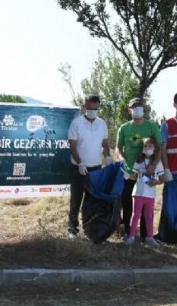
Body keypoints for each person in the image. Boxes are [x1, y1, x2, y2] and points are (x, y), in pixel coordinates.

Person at [116, 97, 163, 240]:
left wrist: (154, 164)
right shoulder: (124, 128)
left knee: (146, 205)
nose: (137, 109)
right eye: (134, 107)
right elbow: (118, 148)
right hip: (129, 172)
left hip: (146, 173)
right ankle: (129, 233)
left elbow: (160, 147)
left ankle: (145, 235)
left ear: (144, 109)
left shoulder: (152, 126)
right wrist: (122, 159)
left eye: (140, 106)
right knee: (128, 203)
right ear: (129, 110)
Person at [67, 95, 111, 238]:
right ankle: (72, 229)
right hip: (78, 168)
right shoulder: (76, 123)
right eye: (90, 108)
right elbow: (72, 145)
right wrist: (80, 163)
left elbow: (105, 143)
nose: (92, 111)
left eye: (95, 108)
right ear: (84, 107)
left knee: (92, 201)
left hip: (95, 168)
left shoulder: (102, 123)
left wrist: (108, 157)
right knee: (76, 199)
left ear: (98, 107)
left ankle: (90, 229)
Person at [125, 137, 164, 246]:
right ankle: (131, 236)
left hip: (150, 195)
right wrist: (128, 175)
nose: (147, 148)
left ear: (154, 148)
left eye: (150, 146)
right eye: (145, 146)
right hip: (138, 193)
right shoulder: (138, 161)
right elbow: (134, 177)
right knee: (136, 214)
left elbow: (162, 179)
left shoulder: (157, 163)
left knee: (149, 216)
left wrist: (155, 182)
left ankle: (150, 237)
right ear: (142, 148)